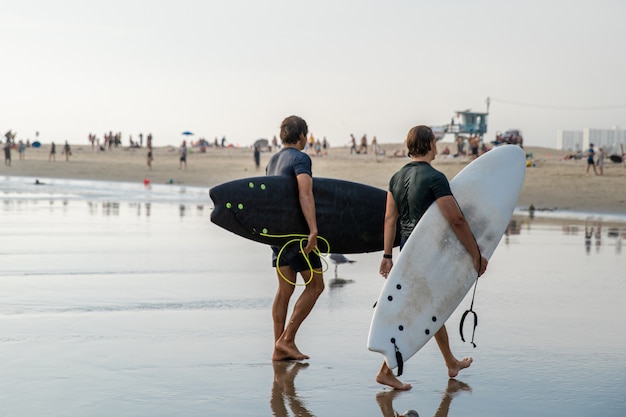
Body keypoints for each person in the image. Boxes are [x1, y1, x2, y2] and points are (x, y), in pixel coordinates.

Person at [376, 125, 488, 390]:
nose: (437, 147)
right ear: (428, 145)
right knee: (419, 311)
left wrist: (387, 255)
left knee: (432, 308)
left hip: (407, 252)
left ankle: (450, 362)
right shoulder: (435, 178)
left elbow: (390, 218)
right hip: (427, 254)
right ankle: (384, 370)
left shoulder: (396, 176)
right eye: (435, 142)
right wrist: (476, 254)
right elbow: (456, 219)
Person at [266, 115, 324, 361]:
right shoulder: (301, 158)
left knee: (285, 289)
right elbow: (305, 194)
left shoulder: (273, 160)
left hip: (277, 233)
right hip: (297, 234)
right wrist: (312, 230)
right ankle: (287, 340)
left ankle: (278, 349)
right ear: (302, 135)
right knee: (316, 285)